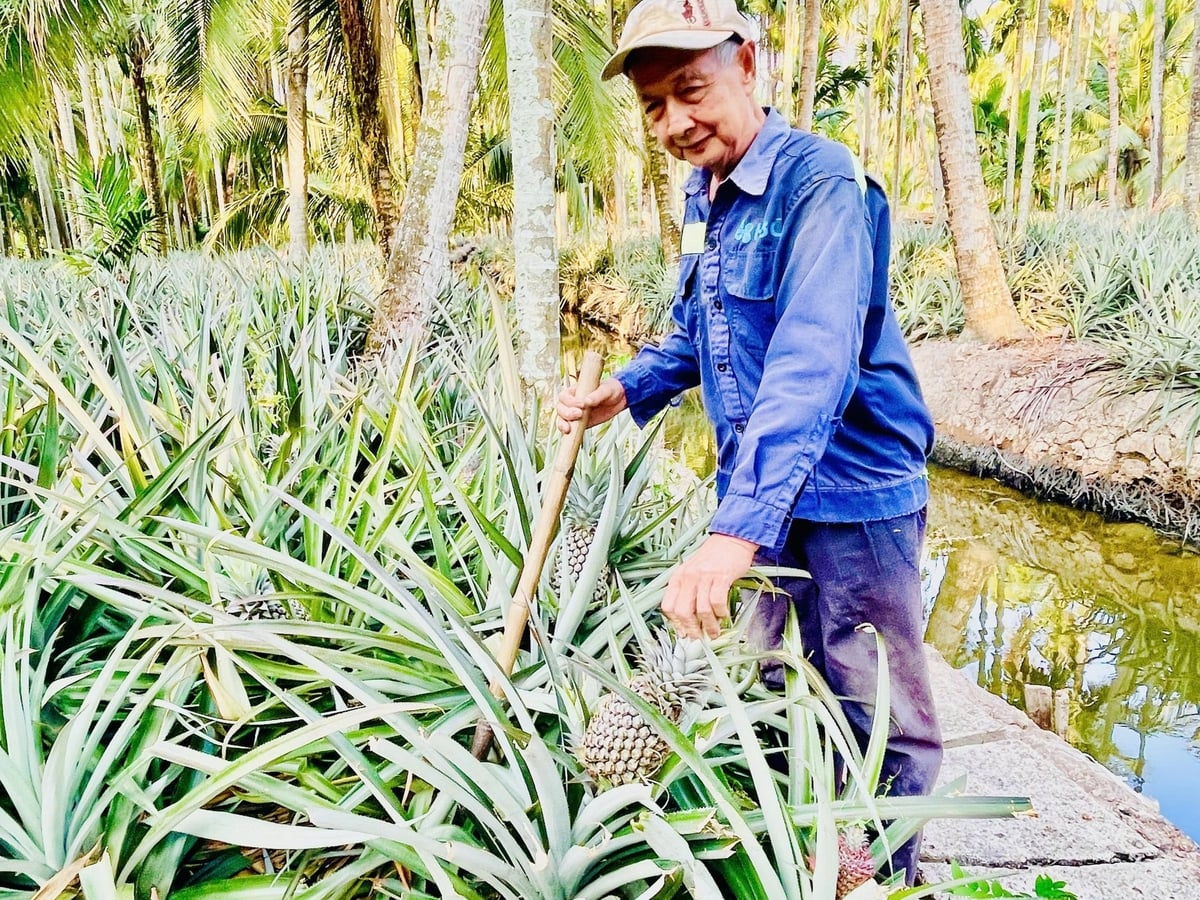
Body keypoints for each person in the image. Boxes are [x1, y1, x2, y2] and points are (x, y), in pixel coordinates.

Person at [556, 0, 941, 884]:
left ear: (748, 64)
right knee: (770, 689)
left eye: (690, 90)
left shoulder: (821, 183)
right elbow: (702, 327)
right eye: (654, 105)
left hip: (851, 491)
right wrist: (630, 387)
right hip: (761, 492)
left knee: (872, 700)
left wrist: (733, 533)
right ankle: (794, 853)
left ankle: (887, 874)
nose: (675, 122)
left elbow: (812, 357)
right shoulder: (707, 195)